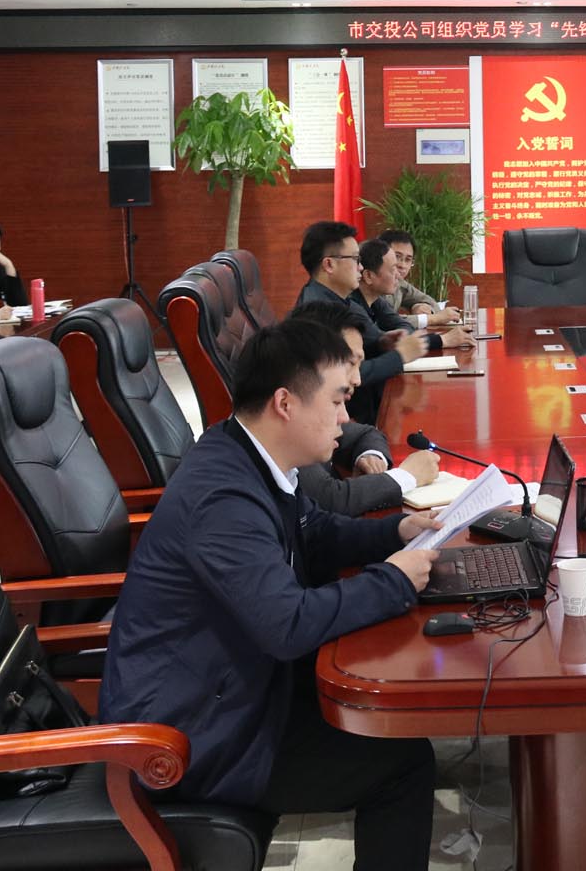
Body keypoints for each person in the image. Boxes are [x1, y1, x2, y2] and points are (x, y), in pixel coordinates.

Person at [98, 319, 441, 869]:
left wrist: (395, 533)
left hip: (231, 691)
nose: (345, 418)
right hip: (190, 737)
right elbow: (287, 626)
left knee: (386, 710)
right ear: (285, 403)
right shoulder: (224, 496)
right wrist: (394, 581)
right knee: (402, 766)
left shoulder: (248, 454)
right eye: (336, 401)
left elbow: (315, 532)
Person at [295, 222, 471, 424]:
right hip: (340, 420)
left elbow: (369, 345)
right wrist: (400, 355)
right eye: (355, 259)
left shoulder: (337, 299)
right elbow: (346, 375)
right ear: (329, 265)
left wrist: (381, 343)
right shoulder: (317, 310)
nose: (361, 267)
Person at [284, 301, 443, 515]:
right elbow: (328, 499)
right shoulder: (292, 413)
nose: (358, 379)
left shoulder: (315, 409)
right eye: (351, 363)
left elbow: (365, 433)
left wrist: (371, 456)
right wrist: (406, 476)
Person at [375, 229, 463, 325]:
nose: (402, 265)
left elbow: (430, 301)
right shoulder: (371, 282)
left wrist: (417, 306)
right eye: (397, 257)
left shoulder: (400, 283)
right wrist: (433, 319)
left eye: (408, 259)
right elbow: (383, 321)